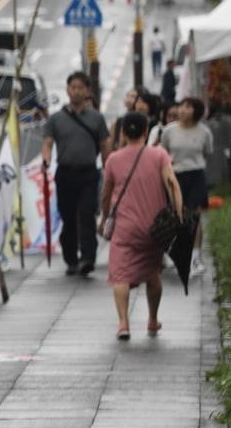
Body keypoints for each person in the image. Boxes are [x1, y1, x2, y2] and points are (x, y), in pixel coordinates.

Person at [100, 112, 184, 340]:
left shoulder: (113, 160)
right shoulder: (159, 155)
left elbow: (106, 196)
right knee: (153, 274)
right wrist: (178, 216)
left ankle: (123, 324)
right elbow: (172, 184)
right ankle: (152, 320)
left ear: (124, 133)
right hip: (154, 229)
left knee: (120, 276)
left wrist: (104, 218)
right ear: (146, 132)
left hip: (125, 228)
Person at [43, 71, 110, 277]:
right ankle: (71, 259)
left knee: (87, 215)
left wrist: (109, 168)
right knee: (68, 217)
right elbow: (47, 142)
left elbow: (105, 144)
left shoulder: (97, 118)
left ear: (88, 91)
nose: (77, 91)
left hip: (89, 174)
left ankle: (88, 258)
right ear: (67, 90)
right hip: (65, 174)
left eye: (81, 88)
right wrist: (46, 160)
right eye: (73, 87)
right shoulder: (56, 119)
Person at [160, 96, 213, 277]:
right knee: (175, 214)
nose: (182, 110)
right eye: (181, 106)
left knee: (194, 215)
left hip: (196, 175)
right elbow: (163, 153)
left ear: (196, 111)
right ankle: (172, 251)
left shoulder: (204, 132)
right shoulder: (168, 131)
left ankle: (196, 256)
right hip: (174, 175)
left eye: (188, 107)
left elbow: (207, 152)